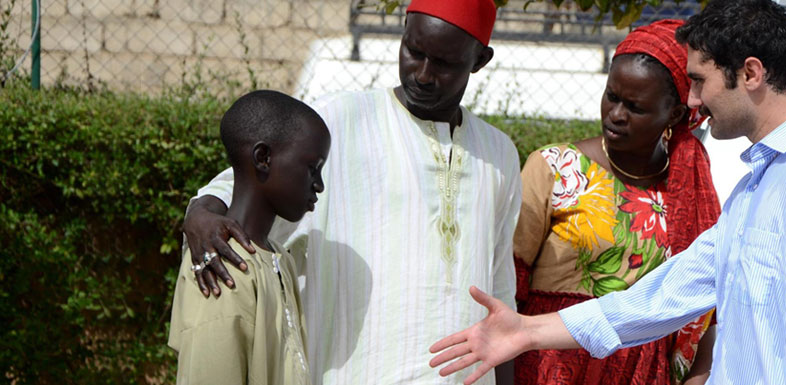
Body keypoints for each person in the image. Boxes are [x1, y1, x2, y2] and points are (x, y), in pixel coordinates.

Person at [428, 1, 786, 384]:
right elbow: (661, 297)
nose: (693, 103)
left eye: (700, 81)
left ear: (750, 73)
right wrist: (528, 332)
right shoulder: (756, 186)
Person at [180, 0, 521, 384]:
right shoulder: (340, 119)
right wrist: (203, 213)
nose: (423, 75)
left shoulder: (499, 154)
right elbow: (241, 180)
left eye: (444, 63)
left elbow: (500, 294)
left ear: (480, 60)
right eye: (413, 51)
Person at [512, 19, 718, 385]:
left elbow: (704, 304)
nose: (616, 115)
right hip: (549, 366)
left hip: (642, 373)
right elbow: (510, 284)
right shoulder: (556, 169)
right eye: (612, 96)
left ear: (673, 114)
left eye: (635, 107)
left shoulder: (689, 188)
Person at [168, 90, 331, 385]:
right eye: (312, 168)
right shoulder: (223, 266)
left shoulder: (280, 260)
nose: (319, 185)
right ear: (263, 158)